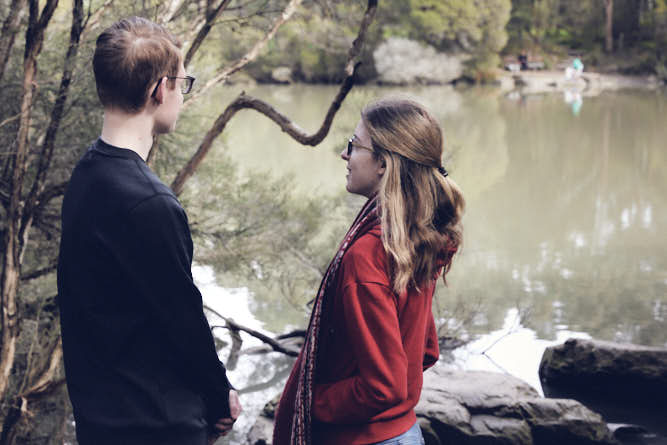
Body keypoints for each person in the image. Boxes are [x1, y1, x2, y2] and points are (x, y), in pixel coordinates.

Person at [57, 17, 241, 445]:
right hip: (155, 426)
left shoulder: (87, 173)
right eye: (182, 82)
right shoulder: (149, 204)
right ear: (160, 90)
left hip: (101, 421)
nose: (181, 93)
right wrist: (220, 399)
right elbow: (182, 320)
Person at [273, 98, 465, 445]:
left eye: (354, 145)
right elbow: (425, 349)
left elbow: (383, 386)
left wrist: (310, 400)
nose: (345, 155)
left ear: (382, 163)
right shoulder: (415, 239)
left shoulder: (368, 255)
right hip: (404, 432)